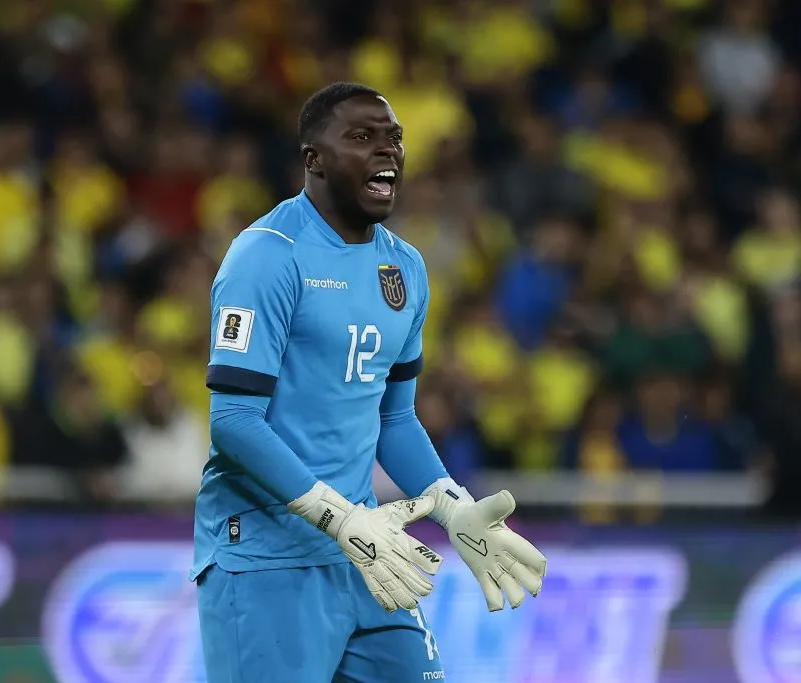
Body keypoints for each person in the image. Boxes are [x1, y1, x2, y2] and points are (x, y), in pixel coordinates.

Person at [192, 82, 547, 683]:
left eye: (394, 139)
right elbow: (234, 422)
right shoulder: (266, 256)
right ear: (315, 159)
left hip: (368, 552)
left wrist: (450, 507)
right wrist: (339, 517)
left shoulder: (405, 267)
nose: (387, 151)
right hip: (268, 558)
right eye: (362, 137)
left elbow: (394, 418)